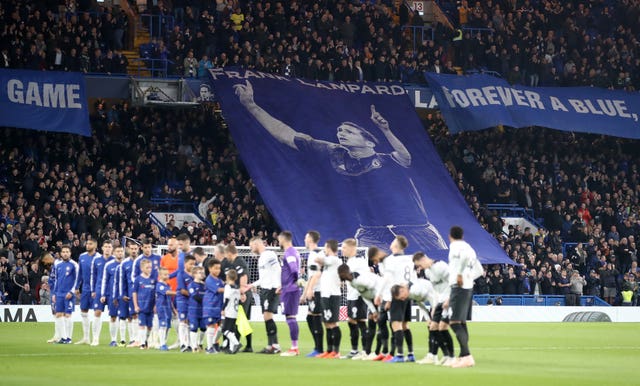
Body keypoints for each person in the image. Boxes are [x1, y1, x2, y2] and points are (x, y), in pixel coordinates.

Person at [234, 80, 448, 253]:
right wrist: (250, 105)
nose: (340, 133)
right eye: (339, 131)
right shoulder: (334, 152)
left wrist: (386, 130)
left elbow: (405, 157)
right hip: (371, 233)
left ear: (369, 141)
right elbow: (287, 136)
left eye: (348, 131)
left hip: (416, 229)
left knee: (435, 272)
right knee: (360, 276)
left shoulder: (387, 159)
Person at [377, 235, 416, 363]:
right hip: (407, 294)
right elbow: (413, 278)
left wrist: (380, 295)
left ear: (395, 245)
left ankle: (399, 355)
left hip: (396, 294)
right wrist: (408, 287)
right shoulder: (409, 259)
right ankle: (410, 354)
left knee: (396, 325)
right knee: (405, 325)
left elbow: (388, 279)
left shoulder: (391, 260)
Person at [447, 226, 482, 368]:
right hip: (467, 287)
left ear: (450, 236)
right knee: (461, 322)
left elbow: (463, 258)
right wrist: (468, 277)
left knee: (454, 322)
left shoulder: (455, 246)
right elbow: (480, 270)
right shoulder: (469, 248)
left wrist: (461, 274)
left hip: (458, 287)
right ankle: (462, 356)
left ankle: (467, 356)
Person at [412, 252, 455, 366]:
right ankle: (439, 356)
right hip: (439, 301)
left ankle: (451, 356)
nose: (420, 268)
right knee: (433, 327)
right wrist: (435, 306)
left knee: (442, 327)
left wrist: (450, 299)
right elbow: (435, 290)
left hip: (449, 300)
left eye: (419, 265)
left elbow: (453, 281)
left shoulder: (441, 266)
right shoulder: (427, 272)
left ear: (423, 259)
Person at [337, 262, 385, 360]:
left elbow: (376, 286)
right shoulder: (352, 282)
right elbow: (364, 295)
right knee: (372, 322)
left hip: (382, 296)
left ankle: (378, 352)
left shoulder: (360, 280)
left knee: (381, 324)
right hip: (373, 298)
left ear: (343, 273)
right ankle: (367, 353)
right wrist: (373, 310)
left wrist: (379, 305)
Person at [247, 236, 282, 354]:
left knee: (268, 316)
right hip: (265, 289)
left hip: (272, 289)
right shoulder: (262, 258)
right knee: (266, 316)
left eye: (251, 246)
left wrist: (279, 285)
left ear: (256, 244)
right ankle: (273, 345)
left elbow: (278, 269)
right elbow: (264, 278)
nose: (251, 248)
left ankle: (273, 345)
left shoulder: (269, 254)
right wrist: (252, 285)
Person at [221, 244, 253, 352]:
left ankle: (238, 344)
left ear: (229, 253)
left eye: (226, 254)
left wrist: (242, 292)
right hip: (235, 293)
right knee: (238, 320)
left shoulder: (239, 262)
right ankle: (235, 344)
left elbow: (244, 276)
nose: (225, 257)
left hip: (241, 294)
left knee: (240, 320)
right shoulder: (228, 263)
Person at [342, 238, 370, 359]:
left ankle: (365, 351)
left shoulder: (360, 261)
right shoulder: (349, 262)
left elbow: (363, 277)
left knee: (361, 322)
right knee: (351, 321)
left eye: (344, 248)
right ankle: (354, 350)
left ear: (351, 248)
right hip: (351, 295)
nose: (342, 250)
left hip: (359, 296)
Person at [316, 239, 343, 359]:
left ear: (329, 248)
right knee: (327, 323)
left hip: (333, 295)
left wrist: (321, 252)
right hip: (325, 294)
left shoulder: (335, 260)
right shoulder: (329, 262)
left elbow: (318, 259)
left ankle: (336, 351)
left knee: (333, 323)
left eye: (325, 248)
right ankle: (329, 350)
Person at [277, 231, 302, 356]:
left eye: (279, 239)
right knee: (289, 317)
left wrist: (294, 283)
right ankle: (294, 347)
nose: (278, 242)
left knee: (291, 317)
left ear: (283, 239)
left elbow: (294, 269)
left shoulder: (289, 252)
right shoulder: (294, 252)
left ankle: (294, 348)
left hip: (291, 289)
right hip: (288, 288)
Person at [301, 230, 324, 357]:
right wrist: (304, 293)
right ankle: (317, 347)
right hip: (314, 290)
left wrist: (310, 290)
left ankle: (319, 349)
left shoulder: (315, 255)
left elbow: (316, 274)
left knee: (315, 318)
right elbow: (310, 277)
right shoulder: (313, 254)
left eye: (305, 237)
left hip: (318, 291)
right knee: (310, 318)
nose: (304, 240)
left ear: (310, 239)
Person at [75, 239, 100, 345]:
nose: (87, 245)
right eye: (87, 243)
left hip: (96, 290)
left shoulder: (99, 258)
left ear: (95, 245)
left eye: (90, 244)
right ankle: (86, 338)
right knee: (83, 311)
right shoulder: (82, 256)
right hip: (85, 289)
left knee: (96, 312)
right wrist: (77, 286)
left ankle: (95, 338)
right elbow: (80, 273)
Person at [53, 245, 78, 344]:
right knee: (58, 315)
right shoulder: (57, 265)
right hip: (59, 293)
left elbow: (77, 280)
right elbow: (56, 280)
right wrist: (54, 293)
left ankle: (69, 338)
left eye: (67, 251)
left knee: (68, 315)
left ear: (70, 253)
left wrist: (72, 292)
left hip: (69, 294)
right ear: (61, 253)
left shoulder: (74, 264)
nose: (65, 253)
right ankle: (63, 337)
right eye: (63, 252)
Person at [90, 241, 113, 346]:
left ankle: (113, 339)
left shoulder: (115, 260)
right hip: (99, 291)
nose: (107, 248)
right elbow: (93, 276)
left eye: (109, 247)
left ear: (112, 249)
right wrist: (93, 290)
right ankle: (95, 338)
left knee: (113, 315)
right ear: (102, 248)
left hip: (112, 291)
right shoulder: (97, 260)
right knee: (97, 313)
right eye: (106, 246)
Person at [101, 245, 124, 347]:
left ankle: (126, 340)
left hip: (124, 295)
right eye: (118, 251)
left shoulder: (126, 264)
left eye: (121, 251)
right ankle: (113, 340)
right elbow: (104, 280)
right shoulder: (109, 265)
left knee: (126, 317)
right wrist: (103, 294)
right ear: (114, 253)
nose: (120, 253)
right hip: (112, 295)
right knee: (113, 317)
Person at [132, 259, 156, 349]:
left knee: (150, 326)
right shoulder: (138, 279)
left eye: (150, 267)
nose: (149, 269)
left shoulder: (153, 280)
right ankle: (142, 343)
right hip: (141, 307)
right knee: (142, 325)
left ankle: (146, 340)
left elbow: (155, 293)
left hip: (150, 306)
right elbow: (134, 293)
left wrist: (155, 305)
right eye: (147, 267)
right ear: (142, 268)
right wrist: (135, 305)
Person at [203, 258, 224, 354]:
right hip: (210, 306)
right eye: (216, 268)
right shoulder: (209, 280)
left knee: (222, 326)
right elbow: (219, 290)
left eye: (219, 268)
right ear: (210, 269)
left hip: (218, 307)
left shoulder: (219, 280)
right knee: (211, 326)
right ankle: (209, 347)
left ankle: (213, 343)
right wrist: (231, 289)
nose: (218, 271)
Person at [222, 269, 244, 354]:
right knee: (231, 330)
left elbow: (227, 299)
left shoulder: (228, 287)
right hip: (235, 311)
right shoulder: (237, 287)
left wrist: (223, 309)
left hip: (229, 310)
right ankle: (232, 349)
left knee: (225, 330)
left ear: (227, 277)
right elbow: (238, 300)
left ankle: (236, 343)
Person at [177, 254, 196, 351]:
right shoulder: (181, 274)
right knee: (183, 321)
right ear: (185, 264)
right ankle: (183, 344)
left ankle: (189, 344)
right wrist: (194, 295)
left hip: (191, 302)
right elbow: (182, 290)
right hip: (183, 301)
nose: (192, 266)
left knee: (189, 322)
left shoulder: (194, 276)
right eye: (190, 264)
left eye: (194, 264)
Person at [155, 267, 176, 351]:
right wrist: (178, 293)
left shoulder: (167, 285)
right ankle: (162, 344)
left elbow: (169, 298)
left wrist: (173, 309)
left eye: (167, 274)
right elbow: (167, 292)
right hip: (161, 307)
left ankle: (164, 342)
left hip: (167, 308)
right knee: (163, 325)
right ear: (160, 275)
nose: (167, 276)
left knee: (167, 326)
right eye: (165, 274)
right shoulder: (159, 285)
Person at [187, 266, 206, 352]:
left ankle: (200, 343)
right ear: (194, 274)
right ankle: (194, 346)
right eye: (200, 273)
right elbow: (195, 297)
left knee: (203, 328)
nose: (202, 274)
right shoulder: (191, 285)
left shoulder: (204, 285)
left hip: (203, 310)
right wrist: (207, 300)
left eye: (203, 273)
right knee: (194, 328)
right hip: (193, 310)